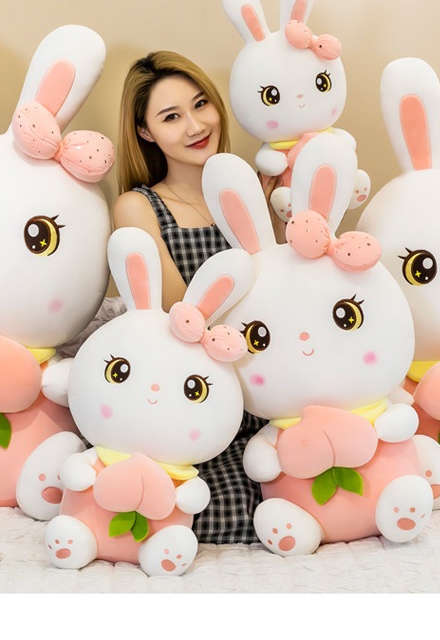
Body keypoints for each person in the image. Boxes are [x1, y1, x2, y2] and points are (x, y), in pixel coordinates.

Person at [113, 50, 262, 544]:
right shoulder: (139, 207)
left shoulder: (253, 194)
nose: (196, 126)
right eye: (171, 117)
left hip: (268, 380)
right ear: (145, 132)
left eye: (201, 104)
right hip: (197, 392)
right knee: (215, 514)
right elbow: (179, 315)